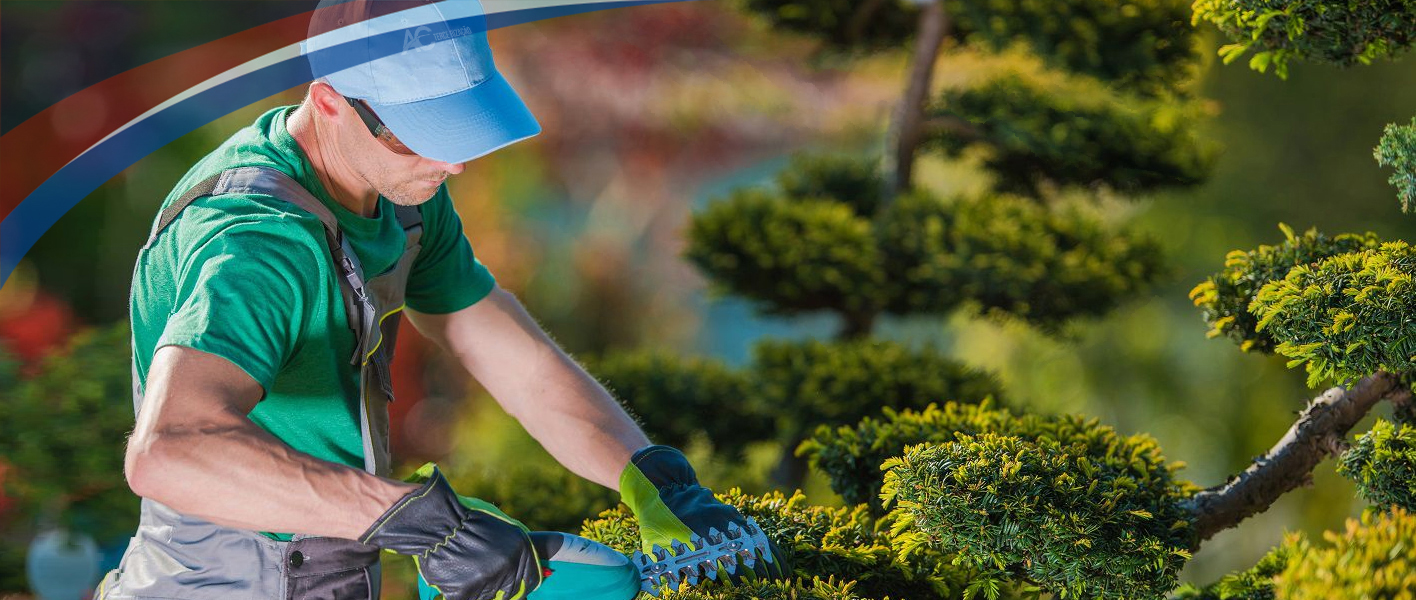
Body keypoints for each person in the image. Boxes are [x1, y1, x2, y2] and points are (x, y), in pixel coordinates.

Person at [97, 0, 788, 598]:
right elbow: (170, 451)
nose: (451, 162)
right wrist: (422, 521)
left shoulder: (398, 194)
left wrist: (650, 477)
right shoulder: (257, 247)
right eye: (420, 133)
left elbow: (499, 346)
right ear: (330, 99)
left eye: (457, 127)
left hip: (331, 560)